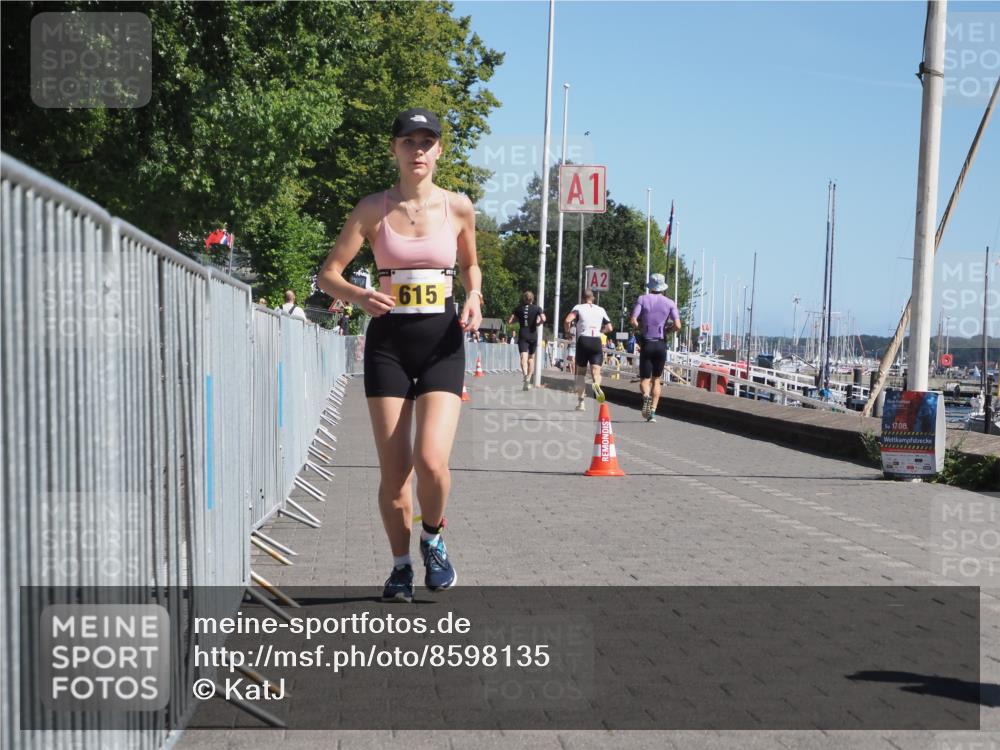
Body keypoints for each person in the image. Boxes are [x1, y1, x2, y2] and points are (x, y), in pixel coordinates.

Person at [317, 107, 482, 602]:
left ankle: (432, 536)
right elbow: (329, 274)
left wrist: (473, 297)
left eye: (427, 141)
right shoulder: (372, 208)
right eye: (408, 141)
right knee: (394, 475)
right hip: (388, 346)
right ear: (394, 149)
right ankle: (400, 566)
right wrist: (359, 296)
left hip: (442, 345)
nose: (418, 150)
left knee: (431, 461)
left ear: (439, 151)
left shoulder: (458, 207)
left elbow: (472, 267)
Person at [629, 273, 681, 422]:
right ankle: (652, 412)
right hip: (661, 343)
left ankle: (645, 396)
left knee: (644, 380)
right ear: (663, 286)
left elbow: (633, 319)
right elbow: (678, 325)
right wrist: (668, 330)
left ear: (650, 286)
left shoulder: (642, 299)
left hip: (647, 342)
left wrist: (639, 327)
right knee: (656, 379)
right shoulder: (670, 303)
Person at [564, 289, 613, 411]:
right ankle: (596, 385)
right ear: (593, 298)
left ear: (582, 298)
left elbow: (567, 320)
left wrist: (567, 332)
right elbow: (610, 327)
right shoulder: (600, 309)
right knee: (596, 372)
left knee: (581, 374)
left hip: (583, 341)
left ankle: (581, 403)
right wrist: (601, 331)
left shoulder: (578, 308)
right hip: (596, 340)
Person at [507, 290, 546, 390]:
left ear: (524, 299)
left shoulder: (518, 309)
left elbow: (510, 321)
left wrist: (518, 319)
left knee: (522, 357)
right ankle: (529, 377)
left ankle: (525, 376)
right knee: (531, 358)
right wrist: (537, 323)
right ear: (533, 299)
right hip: (533, 335)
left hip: (523, 334)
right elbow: (543, 318)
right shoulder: (537, 308)